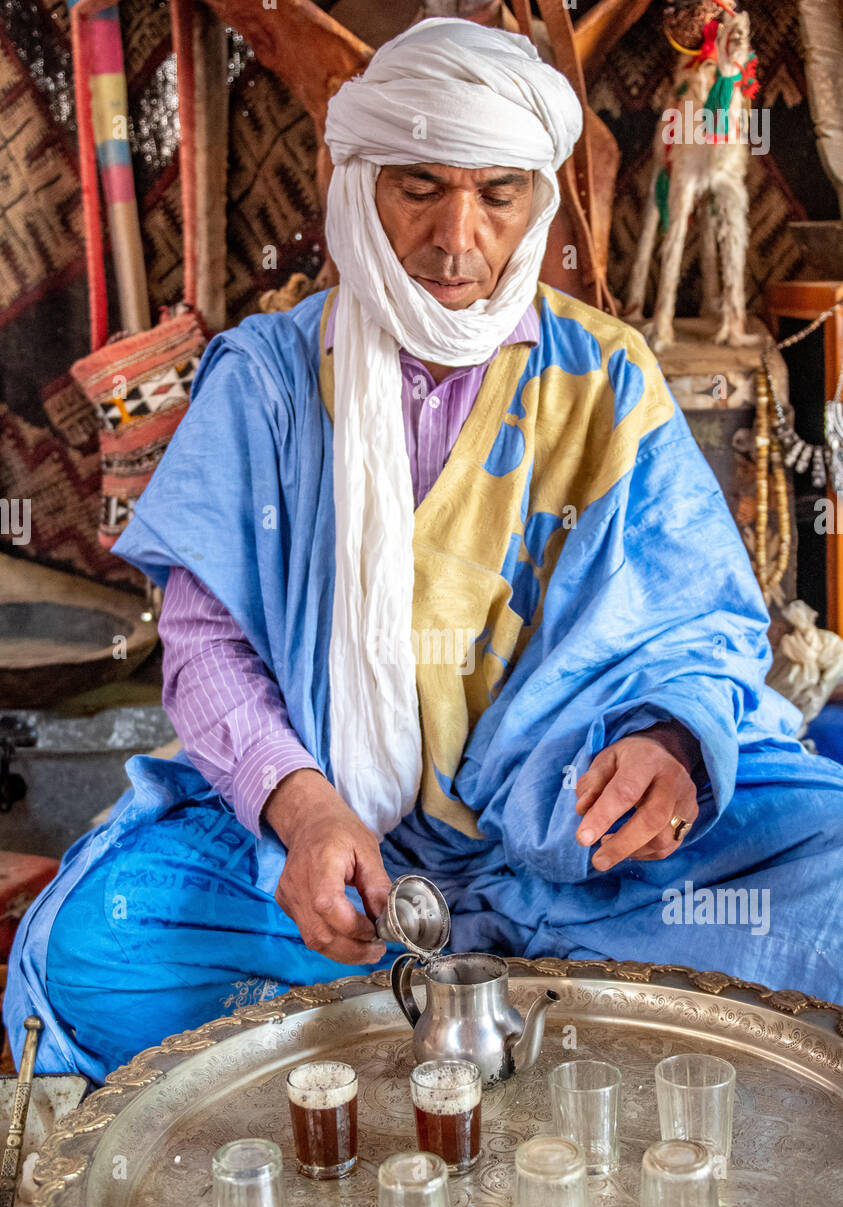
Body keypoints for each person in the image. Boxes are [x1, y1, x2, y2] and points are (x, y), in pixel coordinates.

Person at [5, 19, 843, 1084]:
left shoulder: (609, 380)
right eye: (419, 187)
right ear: (354, 184)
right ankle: (542, 1000)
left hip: (578, 854)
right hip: (348, 842)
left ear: (537, 202)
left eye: (498, 194)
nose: (458, 238)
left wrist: (673, 745)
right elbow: (205, 649)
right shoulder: (264, 380)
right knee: (98, 944)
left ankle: (421, 997)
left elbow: (701, 624)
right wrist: (305, 812)